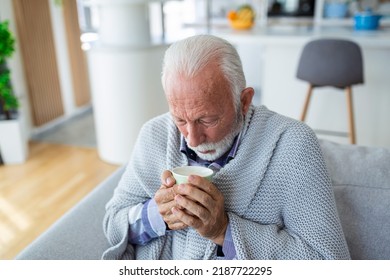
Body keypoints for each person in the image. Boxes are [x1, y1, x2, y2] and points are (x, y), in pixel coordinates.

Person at [102, 34, 350, 260]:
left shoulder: (293, 145)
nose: (192, 139)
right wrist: (156, 214)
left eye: (207, 120)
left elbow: (329, 261)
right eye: (180, 119)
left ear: (244, 101)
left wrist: (223, 229)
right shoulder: (153, 134)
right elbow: (112, 221)